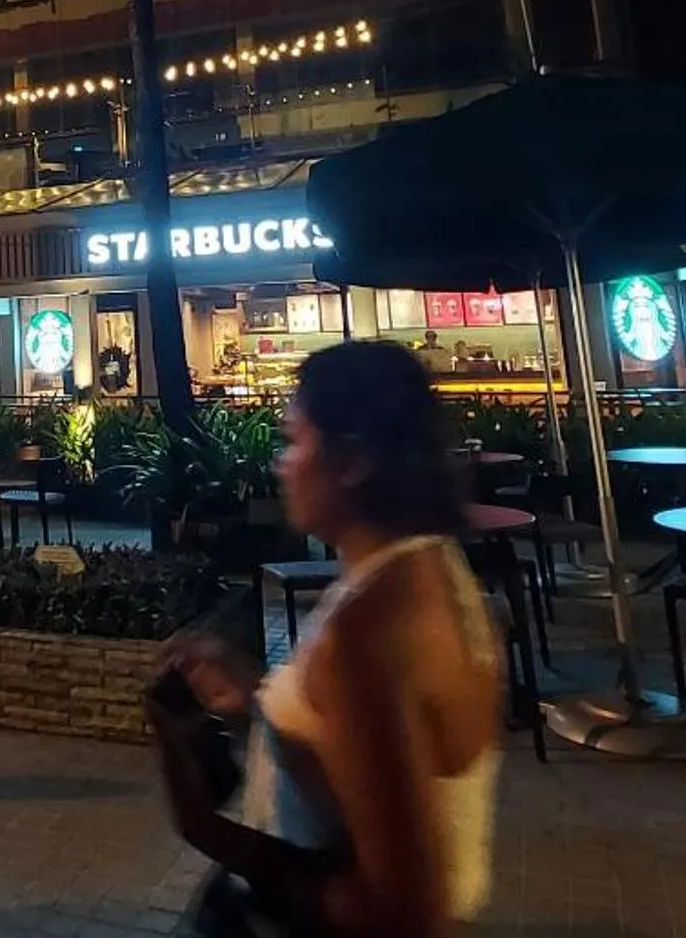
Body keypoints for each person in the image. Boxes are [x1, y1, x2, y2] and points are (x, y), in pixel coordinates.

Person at [151, 340, 499, 936]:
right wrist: (262, 709)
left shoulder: (375, 627)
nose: (281, 464)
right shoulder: (420, 573)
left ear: (353, 459)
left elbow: (401, 914)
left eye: (294, 440)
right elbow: (359, 762)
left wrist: (205, 827)